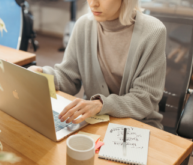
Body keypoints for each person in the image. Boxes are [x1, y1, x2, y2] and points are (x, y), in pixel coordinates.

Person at [28, 0, 167, 129]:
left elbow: (145, 99)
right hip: (94, 120)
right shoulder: (83, 25)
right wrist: (43, 75)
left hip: (138, 124)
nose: (93, 4)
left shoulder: (153, 31)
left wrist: (101, 105)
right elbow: (68, 77)